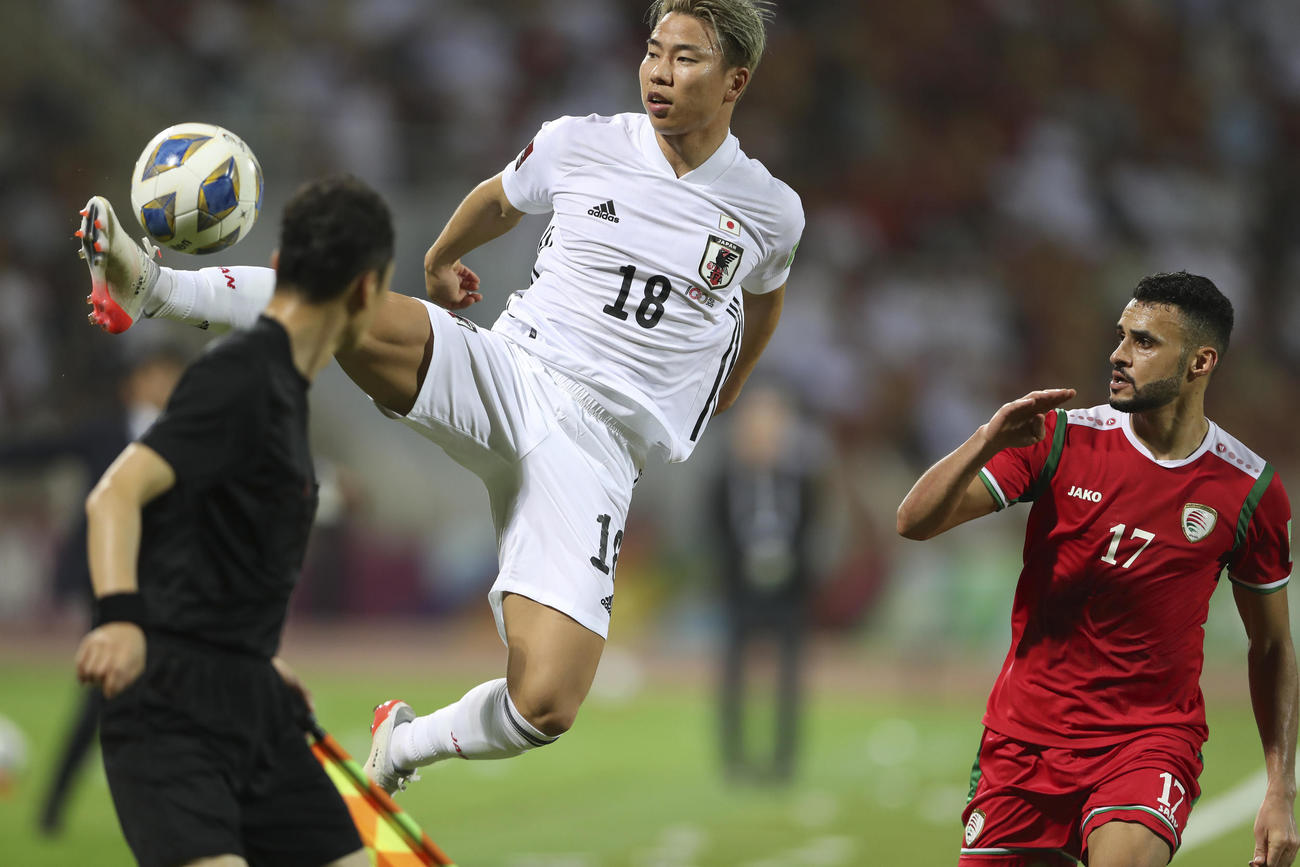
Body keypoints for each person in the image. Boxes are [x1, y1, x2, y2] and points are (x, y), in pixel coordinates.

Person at [79, 0, 803, 795]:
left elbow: (763, 297)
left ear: (735, 80)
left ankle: (404, 742)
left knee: (547, 704)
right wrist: (439, 258)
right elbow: (500, 196)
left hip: (597, 452)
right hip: (515, 371)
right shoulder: (583, 141)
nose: (660, 74)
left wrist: (728, 384)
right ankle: (150, 284)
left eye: (687, 59)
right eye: (654, 52)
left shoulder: (770, 210)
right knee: (346, 303)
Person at [896, 272, 1297, 867]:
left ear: (1200, 362)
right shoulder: (1059, 439)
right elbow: (914, 521)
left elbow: (1270, 645)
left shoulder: (1248, 488)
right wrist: (986, 439)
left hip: (1148, 742)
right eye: (1120, 336)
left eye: (1143, 342)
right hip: (1024, 740)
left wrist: (1280, 787)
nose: (1117, 354)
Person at [74, 174, 394, 867]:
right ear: (367, 291)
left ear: (278, 269)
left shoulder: (279, 383)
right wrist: (120, 616)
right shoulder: (243, 376)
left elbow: (204, 523)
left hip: (251, 695)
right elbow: (116, 495)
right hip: (170, 707)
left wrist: (254, 652)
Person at [0, 348, 184, 834]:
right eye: (158, 372)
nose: (166, 381)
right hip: (110, 580)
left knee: (166, 686)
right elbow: (42, 449)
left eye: (172, 373)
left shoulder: (190, 430)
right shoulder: (104, 430)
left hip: (167, 579)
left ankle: (165, 804)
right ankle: (56, 807)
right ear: (135, 381)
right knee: (107, 690)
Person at [711, 384, 817, 783]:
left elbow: (812, 524)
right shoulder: (726, 476)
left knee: (789, 674)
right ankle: (735, 758)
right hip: (740, 585)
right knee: (734, 673)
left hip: (788, 587)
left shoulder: (800, 477)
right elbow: (714, 527)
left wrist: (793, 564)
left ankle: (783, 760)